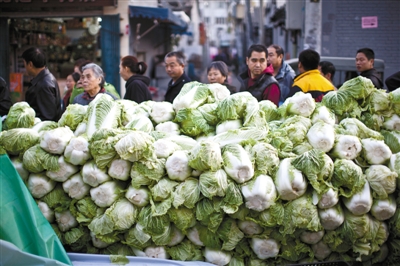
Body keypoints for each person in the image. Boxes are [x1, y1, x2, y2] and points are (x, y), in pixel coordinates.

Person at [21, 47, 62, 121]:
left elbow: (48, 117)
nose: (25, 68)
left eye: (24, 64)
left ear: (30, 64)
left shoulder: (44, 85)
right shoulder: (44, 79)